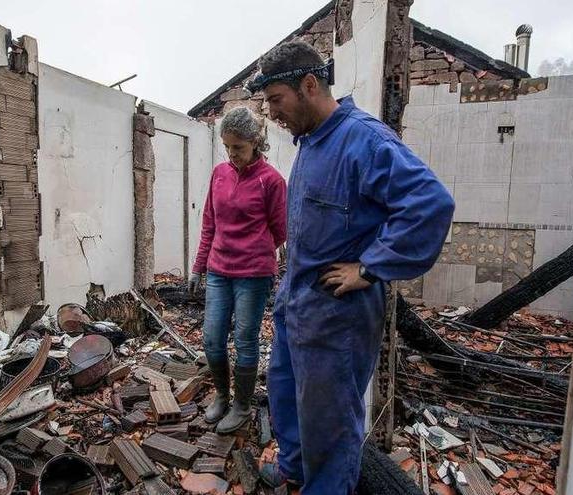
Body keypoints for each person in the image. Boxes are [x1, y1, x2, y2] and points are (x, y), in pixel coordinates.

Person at [246, 41, 455, 493]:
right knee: (286, 395)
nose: (272, 114)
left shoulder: (365, 140)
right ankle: (295, 469)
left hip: (337, 315)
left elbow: (431, 204)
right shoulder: (311, 141)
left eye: (276, 100)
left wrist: (371, 267)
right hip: (297, 305)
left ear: (308, 85)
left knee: (331, 422)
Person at [188, 106, 288, 434]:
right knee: (212, 338)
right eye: (228, 147)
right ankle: (221, 395)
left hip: (254, 274)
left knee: (245, 339)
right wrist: (199, 267)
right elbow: (209, 222)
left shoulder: (271, 181)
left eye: (239, 148)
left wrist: (254, 247)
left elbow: (281, 230)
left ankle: (242, 406)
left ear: (256, 143)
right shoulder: (219, 173)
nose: (232, 155)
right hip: (218, 269)